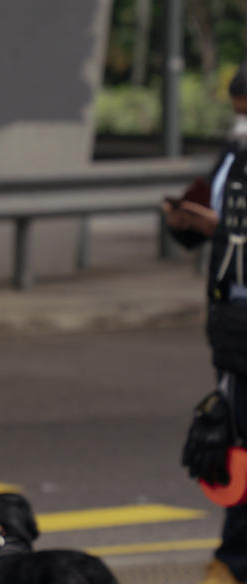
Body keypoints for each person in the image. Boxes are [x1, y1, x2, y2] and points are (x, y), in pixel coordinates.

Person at [167, 63, 247, 584]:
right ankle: (235, 558)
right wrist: (189, 225)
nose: (239, 121)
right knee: (234, 443)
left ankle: (235, 560)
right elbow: (212, 216)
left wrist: (225, 230)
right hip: (234, 329)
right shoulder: (235, 154)